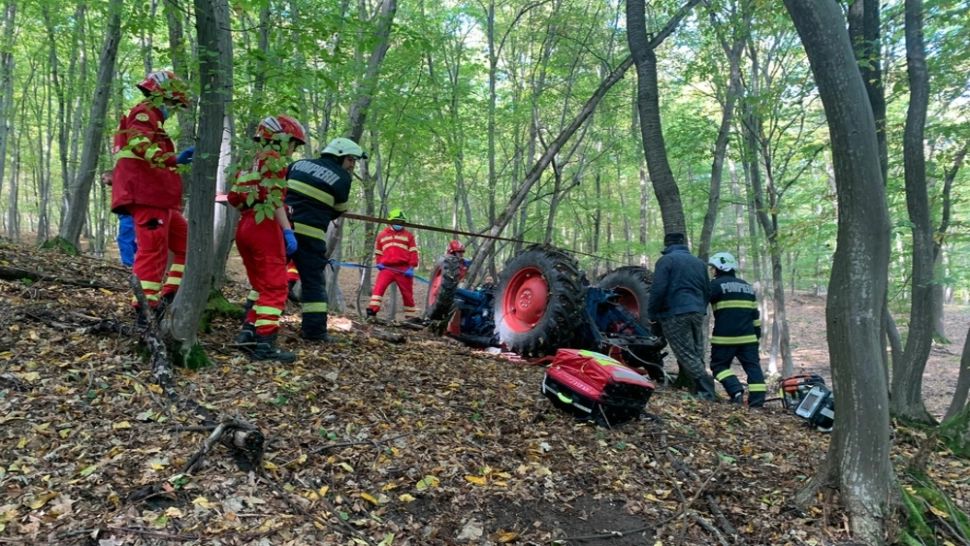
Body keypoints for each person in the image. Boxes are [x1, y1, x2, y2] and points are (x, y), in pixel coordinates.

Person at [110, 70, 193, 317]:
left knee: (187, 244)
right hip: (146, 195)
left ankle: (169, 295)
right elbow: (139, 143)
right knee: (152, 250)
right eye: (172, 104)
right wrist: (172, 158)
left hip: (159, 198)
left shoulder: (153, 119)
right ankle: (145, 310)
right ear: (161, 96)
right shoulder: (144, 113)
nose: (173, 109)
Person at [227, 115, 306, 363]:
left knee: (261, 287)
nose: (293, 150)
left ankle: (248, 335)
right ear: (281, 139)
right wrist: (287, 231)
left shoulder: (251, 163)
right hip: (265, 225)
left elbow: (233, 197)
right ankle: (265, 346)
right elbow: (276, 200)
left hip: (245, 224)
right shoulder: (273, 161)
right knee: (275, 287)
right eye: (293, 144)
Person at [285, 137, 366, 341]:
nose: (352, 165)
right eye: (350, 160)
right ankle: (314, 333)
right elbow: (338, 210)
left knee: (269, 275)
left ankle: (251, 323)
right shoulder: (342, 178)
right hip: (311, 236)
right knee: (313, 284)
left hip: (283, 230)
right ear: (338, 156)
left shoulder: (297, 164)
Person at [647, 232, 717, 400]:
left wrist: (652, 314)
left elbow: (658, 290)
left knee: (686, 353)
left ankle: (707, 391)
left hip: (675, 313)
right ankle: (695, 387)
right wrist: (700, 308)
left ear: (666, 244)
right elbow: (707, 289)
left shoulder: (666, 261)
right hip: (697, 312)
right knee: (697, 352)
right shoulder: (699, 263)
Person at [708, 251, 766, 407]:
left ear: (719, 268)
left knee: (718, 366)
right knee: (753, 368)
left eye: (713, 268)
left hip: (724, 339)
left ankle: (736, 390)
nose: (712, 271)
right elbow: (755, 315)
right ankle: (757, 402)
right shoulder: (747, 287)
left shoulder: (714, 285)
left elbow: (700, 304)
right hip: (749, 338)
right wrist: (757, 335)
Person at [367, 209, 420, 321]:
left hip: (404, 269)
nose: (398, 224)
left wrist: (411, 267)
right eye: (396, 221)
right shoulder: (381, 235)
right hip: (387, 268)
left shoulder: (408, 236)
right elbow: (378, 252)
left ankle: (411, 317)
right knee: (378, 289)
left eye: (401, 222)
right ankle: (372, 312)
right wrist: (379, 263)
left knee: (407, 294)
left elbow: (413, 252)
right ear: (390, 221)